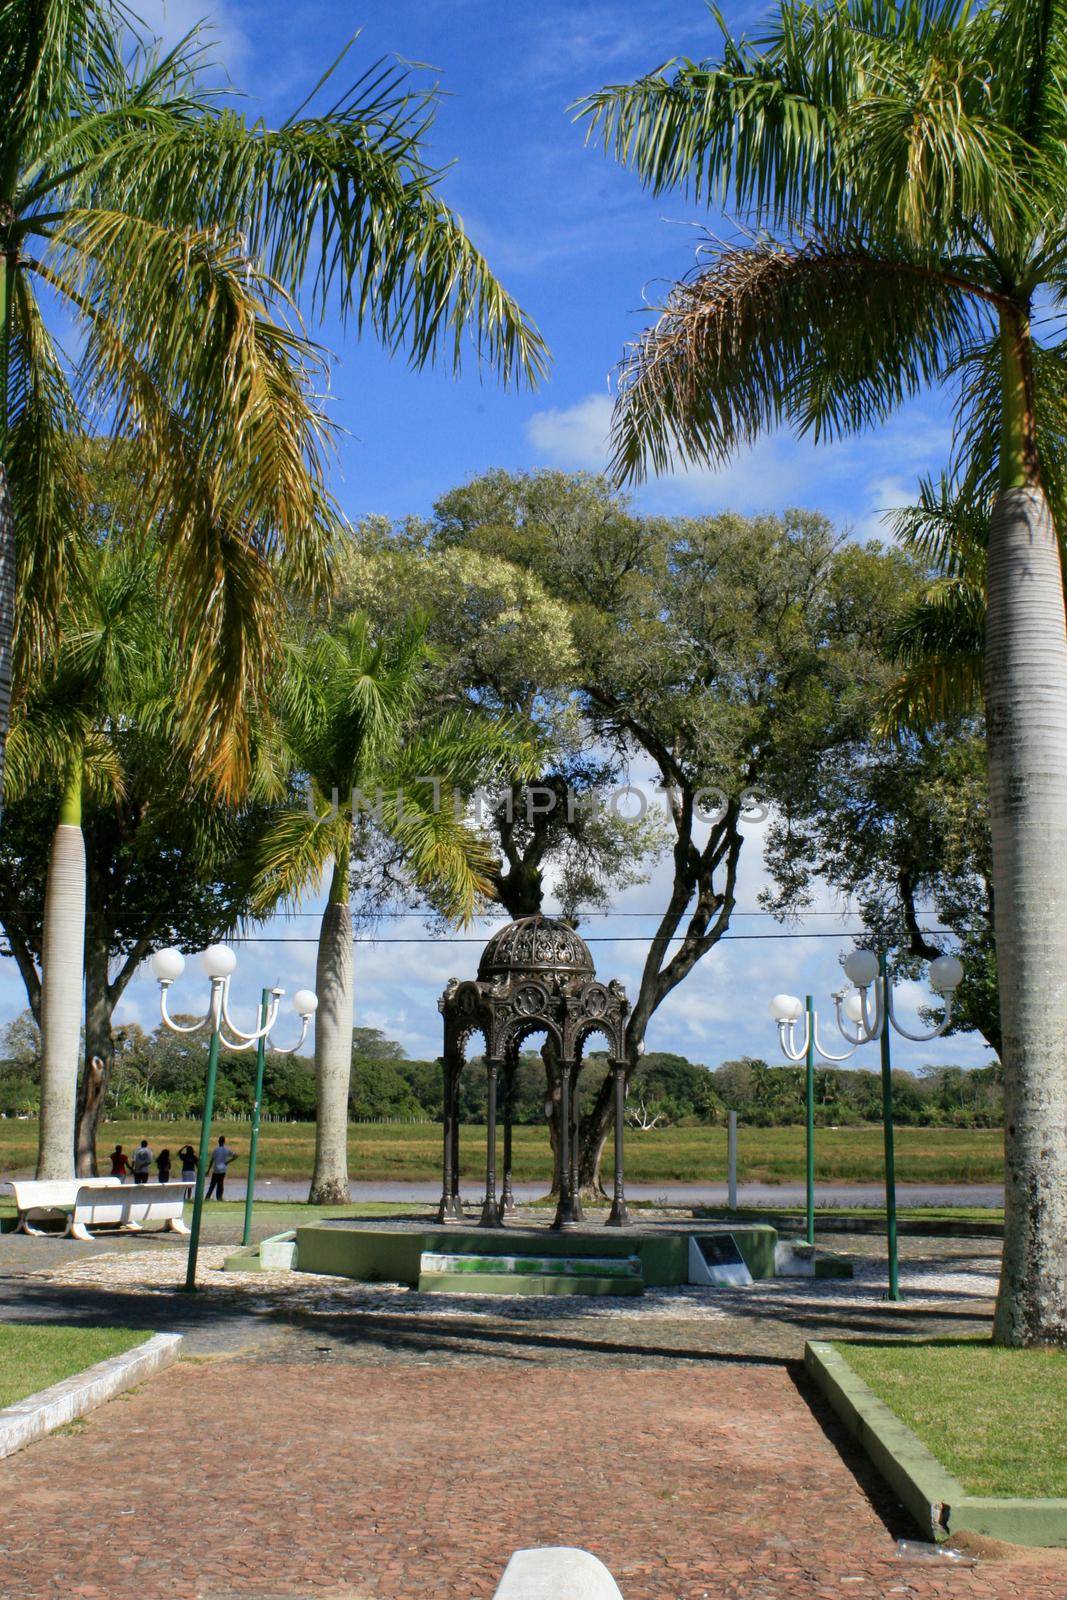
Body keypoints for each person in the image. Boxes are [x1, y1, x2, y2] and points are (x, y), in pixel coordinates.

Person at [205, 1135, 237, 1200]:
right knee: (220, 1184)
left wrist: (208, 1170)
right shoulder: (226, 1150)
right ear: (224, 1142)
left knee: (212, 1185)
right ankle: (219, 1197)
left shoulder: (216, 1150)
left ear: (218, 1141)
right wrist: (228, 1162)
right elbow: (236, 1156)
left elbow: (212, 1160)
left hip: (216, 1170)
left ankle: (208, 1197)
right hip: (222, 1170)